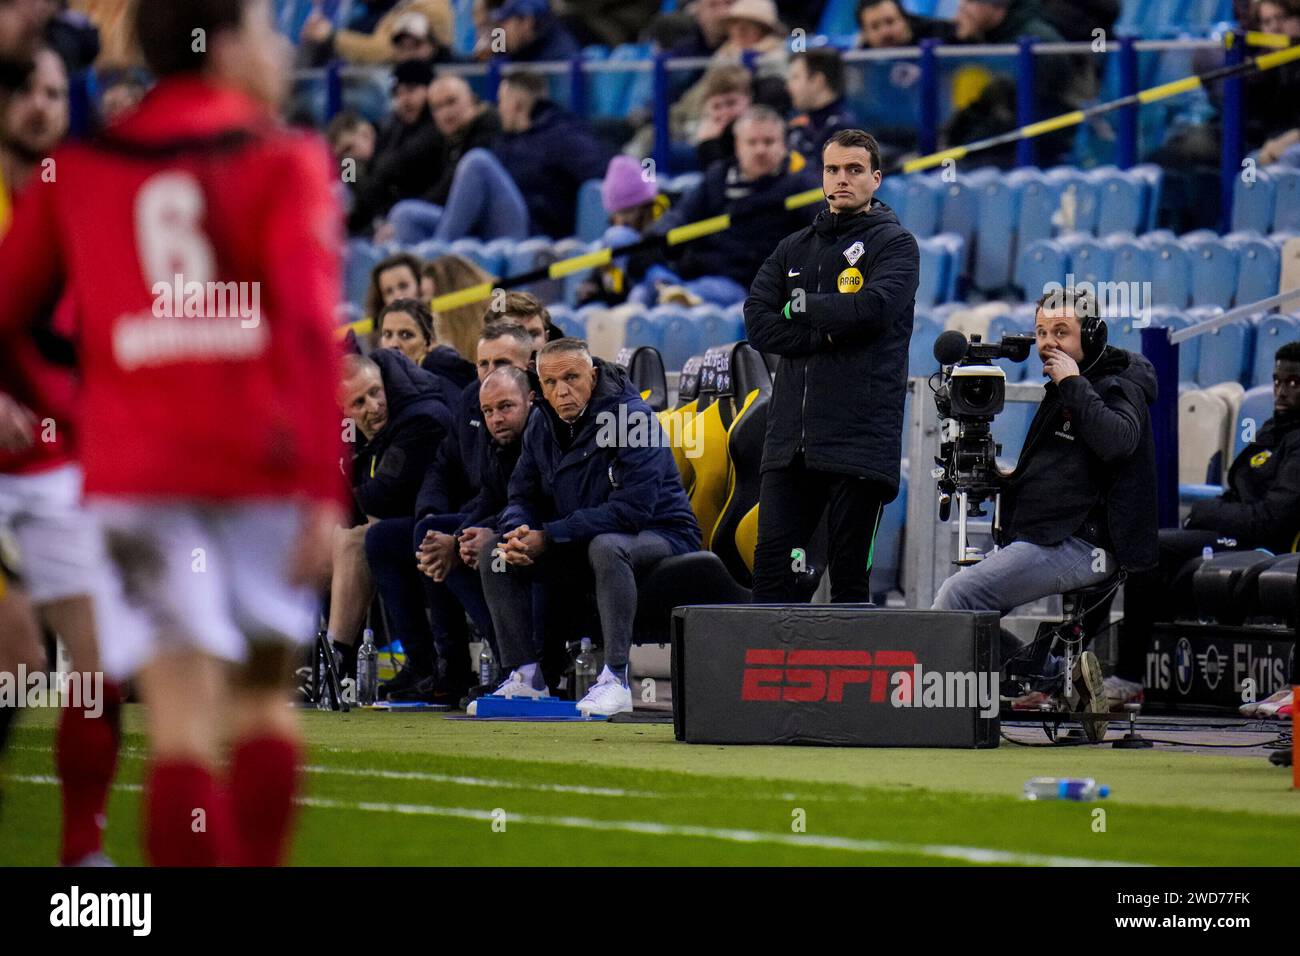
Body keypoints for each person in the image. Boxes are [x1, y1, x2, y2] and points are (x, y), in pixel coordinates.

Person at [0, 0, 347, 866]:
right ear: (227, 44)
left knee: (182, 722)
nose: (274, 53)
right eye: (264, 33)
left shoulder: (77, 167)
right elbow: (308, 330)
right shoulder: (282, 155)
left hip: (135, 469)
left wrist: (78, 404)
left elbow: (4, 308)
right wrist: (324, 482)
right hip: (257, 461)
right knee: (263, 703)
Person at [931, 288, 1159, 740]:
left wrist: (1073, 384)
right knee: (968, 604)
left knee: (958, 599)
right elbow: (1067, 469)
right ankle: (1060, 677)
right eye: (1040, 333)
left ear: (1091, 336)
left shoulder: (1115, 383)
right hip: (1050, 534)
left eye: (1061, 332)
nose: (1048, 342)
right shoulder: (1065, 386)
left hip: (1084, 542)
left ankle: (1045, 680)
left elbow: (1118, 442)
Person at [0, 42, 124, 867]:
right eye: (24, 90)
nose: (42, 106)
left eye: (53, 91)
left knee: (99, 661)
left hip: (55, 465)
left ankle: (83, 853)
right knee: (14, 658)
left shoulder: (79, 197)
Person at [478, 338, 701, 716]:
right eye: (550, 383)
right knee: (495, 550)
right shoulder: (540, 423)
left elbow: (632, 511)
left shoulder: (632, 418)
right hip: (583, 537)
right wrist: (519, 531)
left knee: (607, 546)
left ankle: (616, 679)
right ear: (539, 388)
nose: (562, 391)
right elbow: (521, 495)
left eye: (571, 378)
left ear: (593, 375)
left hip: (663, 533)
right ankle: (527, 676)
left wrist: (549, 536)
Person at [744, 129, 918, 607]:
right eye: (833, 169)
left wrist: (799, 309)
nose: (842, 179)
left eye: (854, 170)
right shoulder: (792, 248)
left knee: (848, 582)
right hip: (789, 444)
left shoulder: (896, 245)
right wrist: (827, 327)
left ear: (876, 178)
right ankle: (768, 679)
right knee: (771, 571)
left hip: (859, 439)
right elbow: (759, 324)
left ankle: (851, 682)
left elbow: (875, 309)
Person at [1112, 340, 1300, 715]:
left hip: (1263, 544)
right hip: (1237, 531)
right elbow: (1241, 497)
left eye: (1294, 382)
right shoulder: (1270, 432)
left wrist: (1204, 512)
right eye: (1278, 380)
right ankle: (1130, 676)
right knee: (1148, 547)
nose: (1282, 390)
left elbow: (1268, 521)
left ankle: (1130, 677)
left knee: (1157, 549)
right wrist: (1212, 511)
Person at [330, 350, 452, 680]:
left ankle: (335, 658)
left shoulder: (419, 418)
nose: (373, 406)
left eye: (374, 392)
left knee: (362, 537)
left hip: (447, 522)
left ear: (384, 383)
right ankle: (321, 660)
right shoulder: (349, 430)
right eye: (358, 403)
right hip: (412, 523)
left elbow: (380, 497)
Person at [645, 105, 817, 306]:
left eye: (769, 142)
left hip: (741, 284)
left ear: (784, 145)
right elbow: (681, 215)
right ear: (738, 145)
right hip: (694, 269)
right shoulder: (718, 176)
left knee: (685, 297)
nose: (760, 150)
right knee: (629, 252)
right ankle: (663, 288)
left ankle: (674, 294)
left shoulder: (799, 185)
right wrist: (655, 238)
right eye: (752, 142)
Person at [490, 69, 610, 240]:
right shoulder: (503, 141)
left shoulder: (561, 136)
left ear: (517, 103)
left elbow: (601, 170)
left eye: (501, 101)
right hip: (497, 227)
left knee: (476, 162)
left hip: (536, 234)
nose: (498, 109)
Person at [384, 75, 503, 244]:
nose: (445, 112)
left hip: (500, 221)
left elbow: (452, 187)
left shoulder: (489, 124)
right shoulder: (451, 137)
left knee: (475, 161)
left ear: (472, 99)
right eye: (437, 107)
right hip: (468, 224)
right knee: (403, 215)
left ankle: (439, 255)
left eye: (451, 102)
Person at [334, 60, 442, 238]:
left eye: (411, 90)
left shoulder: (435, 130)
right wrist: (349, 164)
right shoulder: (394, 127)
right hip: (385, 220)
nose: (404, 100)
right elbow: (364, 199)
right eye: (398, 94)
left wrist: (355, 164)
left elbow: (386, 173)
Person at [299, 0, 454, 66]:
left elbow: (383, 50)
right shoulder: (393, 10)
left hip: (425, 83)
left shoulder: (429, 5)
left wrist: (331, 36)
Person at [376, 297, 477, 391]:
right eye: (387, 334)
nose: (393, 344)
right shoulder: (377, 384)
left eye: (406, 335)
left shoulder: (443, 382)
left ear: (428, 342)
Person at [785, 49, 859, 163]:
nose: (788, 87)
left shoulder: (843, 132)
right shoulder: (799, 127)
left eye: (795, 77)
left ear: (817, 81)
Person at [481, 0, 580, 62]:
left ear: (527, 22)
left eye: (505, 22)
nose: (501, 30)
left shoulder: (559, 55)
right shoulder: (517, 50)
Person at [856, 0, 953, 48]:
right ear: (864, 34)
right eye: (875, 27)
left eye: (890, 22)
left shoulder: (941, 34)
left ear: (905, 20)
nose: (885, 32)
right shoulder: (860, 60)